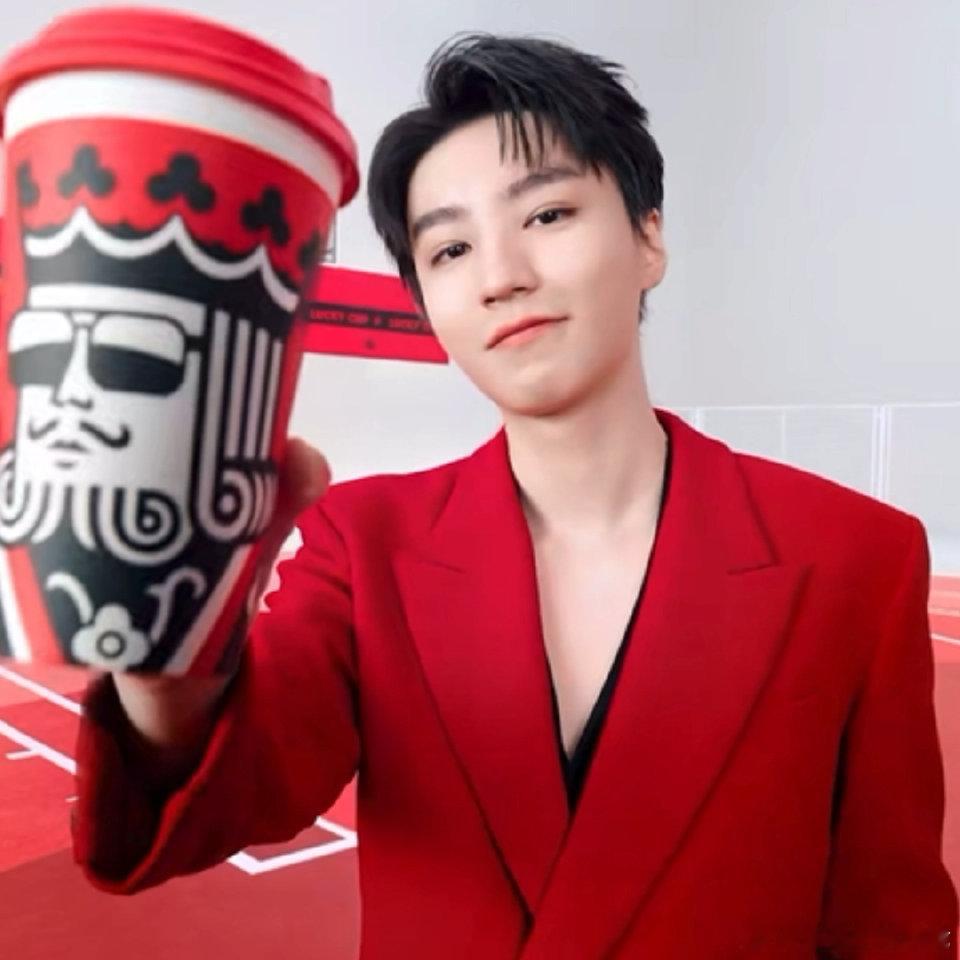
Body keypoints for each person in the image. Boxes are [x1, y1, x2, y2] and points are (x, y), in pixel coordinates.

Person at [71, 33, 957, 958]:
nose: (501, 277)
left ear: (648, 237)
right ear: (426, 304)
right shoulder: (363, 540)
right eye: (450, 248)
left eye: (547, 214)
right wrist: (170, 675)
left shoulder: (857, 555)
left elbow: (888, 921)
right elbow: (250, 779)